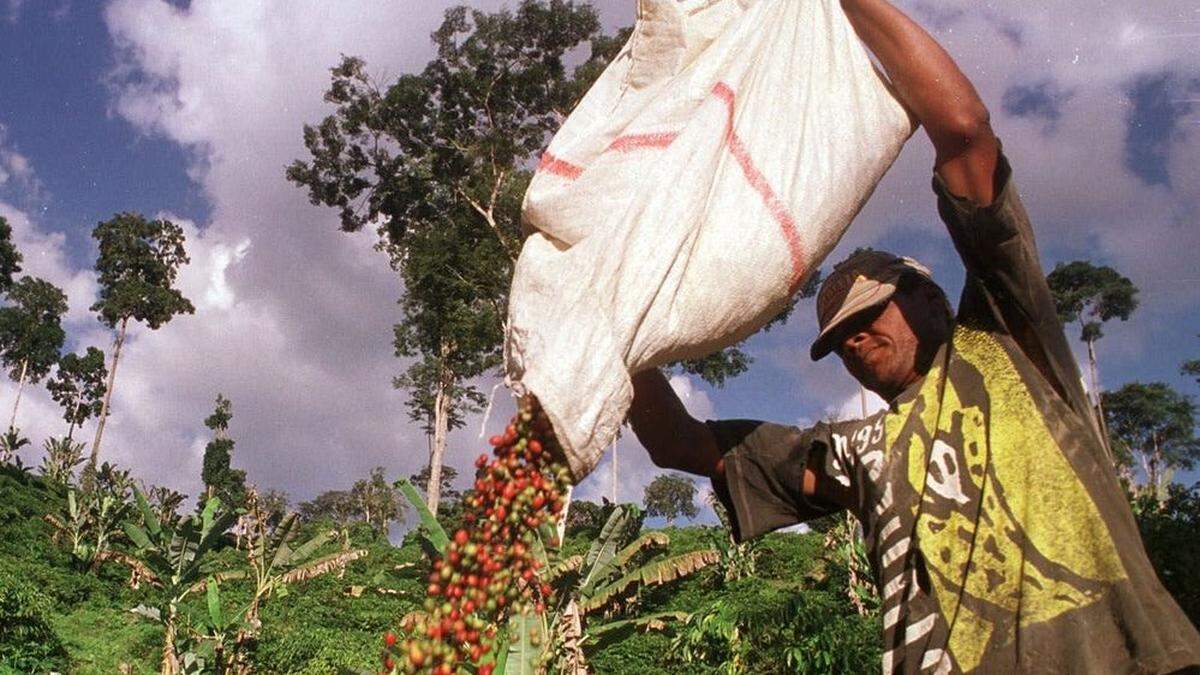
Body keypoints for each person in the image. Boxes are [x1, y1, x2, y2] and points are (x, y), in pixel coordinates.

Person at [627, 0, 1200, 673]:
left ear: (928, 299)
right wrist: (604, 327)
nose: (855, 344)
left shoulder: (1009, 345)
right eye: (839, 340)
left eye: (870, 318)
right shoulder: (852, 454)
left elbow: (964, 130)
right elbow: (679, 442)